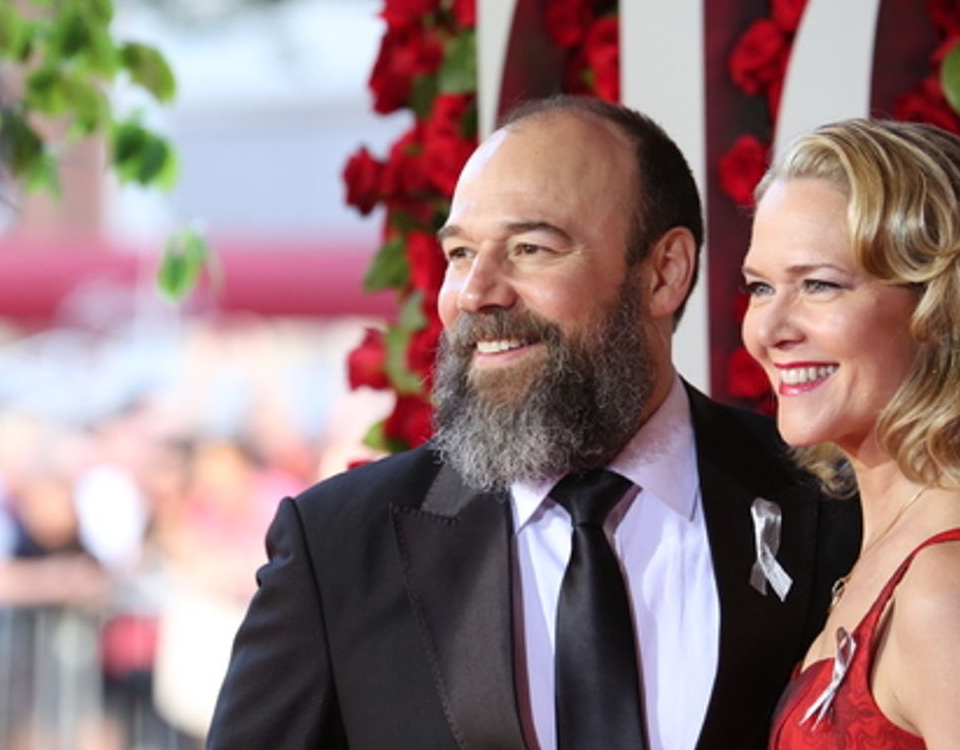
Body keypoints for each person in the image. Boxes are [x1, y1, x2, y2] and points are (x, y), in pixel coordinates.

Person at [207, 95, 859, 750]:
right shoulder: (338, 548)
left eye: (530, 247)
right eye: (460, 253)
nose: (476, 291)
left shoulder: (825, 504)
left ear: (664, 273)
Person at [742, 118, 960, 750]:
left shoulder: (956, 585)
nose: (771, 328)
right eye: (760, 287)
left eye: (819, 285)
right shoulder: (913, 539)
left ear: (940, 306)